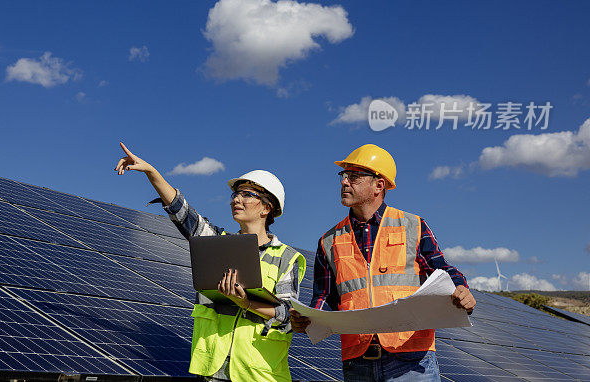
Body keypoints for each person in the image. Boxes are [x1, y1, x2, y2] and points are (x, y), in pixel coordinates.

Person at [115, 142, 306, 382]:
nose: (237, 199)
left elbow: (288, 315)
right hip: (212, 370)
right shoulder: (217, 245)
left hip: (259, 373)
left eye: (247, 194)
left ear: (266, 208)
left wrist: (245, 302)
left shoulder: (285, 258)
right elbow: (182, 213)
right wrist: (152, 173)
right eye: (235, 194)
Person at [289, 144, 475, 381]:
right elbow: (324, 298)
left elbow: (442, 270)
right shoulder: (328, 241)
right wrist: (308, 319)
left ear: (379, 185)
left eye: (354, 176)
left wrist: (461, 288)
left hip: (411, 361)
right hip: (358, 363)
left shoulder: (413, 225)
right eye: (343, 176)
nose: (345, 182)